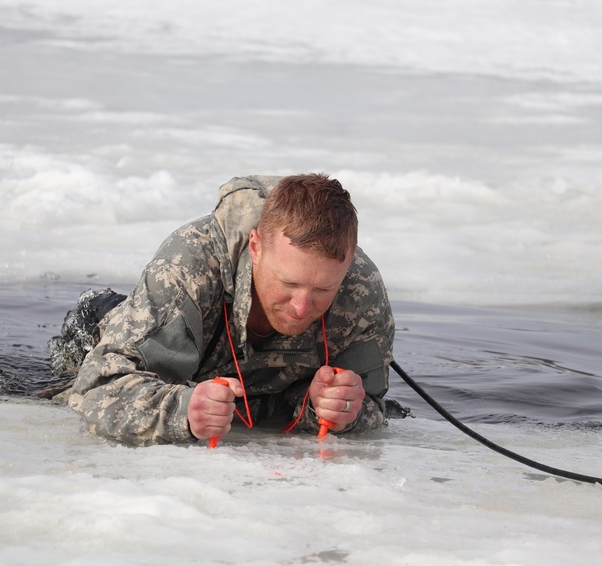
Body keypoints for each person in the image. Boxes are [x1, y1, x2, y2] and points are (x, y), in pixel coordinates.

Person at [52, 173, 396, 445]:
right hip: (111, 332)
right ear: (256, 247)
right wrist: (183, 411)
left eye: (323, 289)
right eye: (287, 283)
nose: (302, 306)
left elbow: (373, 407)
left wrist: (335, 410)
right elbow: (94, 390)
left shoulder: (361, 290)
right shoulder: (187, 266)